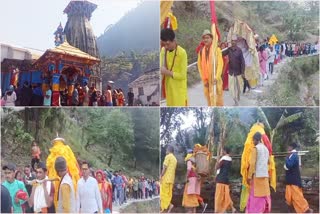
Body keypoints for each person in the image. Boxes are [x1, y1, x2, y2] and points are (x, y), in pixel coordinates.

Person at [160, 28, 188, 106]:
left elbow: (183, 75)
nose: (166, 46)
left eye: (167, 44)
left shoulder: (182, 53)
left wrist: (167, 72)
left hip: (179, 91)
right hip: (169, 89)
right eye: (164, 44)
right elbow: (160, 67)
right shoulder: (163, 51)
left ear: (174, 41)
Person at [246, 132, 271, 213]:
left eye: (253, 140)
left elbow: (252, 164)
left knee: (255, 196)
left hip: (257, 176)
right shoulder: (266, 149)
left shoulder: (255, 148)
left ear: (256, 140)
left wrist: (249, 176)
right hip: (265, 176)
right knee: (264, 196)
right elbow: (269, 162)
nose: (253, 142)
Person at [197, 29, 224, 106]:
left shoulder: (217, 50)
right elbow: (200, 67)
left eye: (207, 37)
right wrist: (204, 80)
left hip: (216, 81)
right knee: (209, 102)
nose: (206, 39)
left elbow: (220, 64)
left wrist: (217, 77)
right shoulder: (201, 51)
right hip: (207, 82)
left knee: (218, 102)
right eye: (204, 38)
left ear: (212, 39)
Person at [284, 143, 313, 213]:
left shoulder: (293, 156)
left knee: (297, 197)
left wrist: (286, 158)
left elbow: (288, 166)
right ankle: (292, 209)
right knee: (289, 197)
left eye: (288, 147)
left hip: (294, 181)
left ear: (291, 147)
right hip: (290, 180)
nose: (287, 148)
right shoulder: (292, 155)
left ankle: (306, 210)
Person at [222, 35, 245, 106]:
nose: (233, 42)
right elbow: (221, 54)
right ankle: (235, 100)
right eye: (232, 41)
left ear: (236, 42)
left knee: (239, 87)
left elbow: (242, 62)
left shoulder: (239, 50)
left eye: (234, 41)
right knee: (232, 88)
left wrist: (243, 72)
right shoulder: (228, 50)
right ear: (231, 42)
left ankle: (238, 97)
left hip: (238, 72)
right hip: (231, 72)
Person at [215, 147, 236, 213]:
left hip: (220, 179)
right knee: (226, 195)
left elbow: (217, 167)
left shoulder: (223, 159)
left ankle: (219, 210)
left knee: (219, 196)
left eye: (223, 151)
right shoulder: (230, 159)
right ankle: (232, 208)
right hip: (226, 179)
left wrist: (218, 160)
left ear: (224, 151)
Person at [160, 145, 177, 213]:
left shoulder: (168, 156)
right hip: (171, 179)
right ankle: (164, 208)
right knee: (168, 194)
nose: (166, 151)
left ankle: (169, 205)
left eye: (166, 150)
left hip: (166, 178)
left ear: (169, 150)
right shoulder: (175, 159)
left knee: (162, 193)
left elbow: (165, 167)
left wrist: (161, 175)